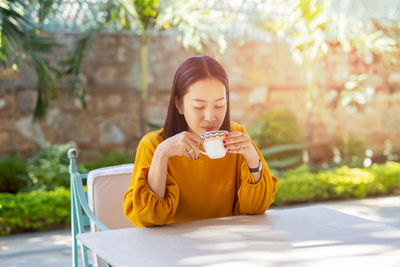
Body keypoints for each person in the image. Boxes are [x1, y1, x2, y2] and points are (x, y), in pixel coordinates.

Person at [123, 55, 278, 227]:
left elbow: (256, 208)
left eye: (219, 105)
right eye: (198, 106)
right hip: (173, 248)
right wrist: (162, 154)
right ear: (179, 105)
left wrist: (251, 157)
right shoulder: (153, 146)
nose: (210, 117)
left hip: (229, 243)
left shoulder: (237, 136)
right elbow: (148, 217)